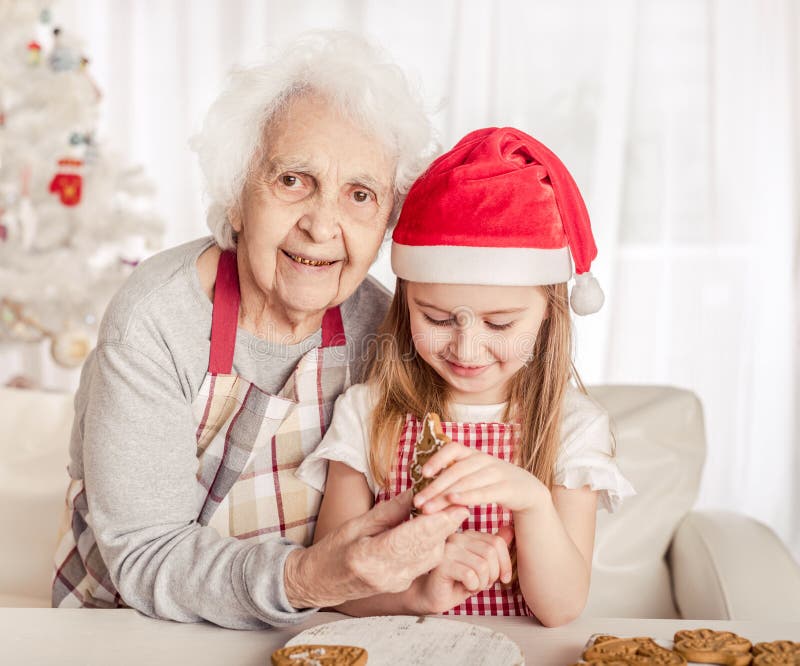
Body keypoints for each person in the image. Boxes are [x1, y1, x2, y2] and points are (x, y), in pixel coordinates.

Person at [51, 31, 486, 630]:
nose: (322, 224)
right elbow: (146, 555)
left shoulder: (382, 330)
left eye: (360, 195)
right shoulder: (156, 320)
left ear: (387, 221)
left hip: (301, 628)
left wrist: (415, 578)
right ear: (236, 196)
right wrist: (312, 576)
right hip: (128, 628)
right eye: (293, 180)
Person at [296, 126, 636, 627]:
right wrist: (416, 590)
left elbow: (561, 608)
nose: (466, 348)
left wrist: (532, 501)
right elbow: (334, 586)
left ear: (549, 316)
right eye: (435, 318)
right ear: (406, 303)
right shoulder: (368, 413)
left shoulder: (572, 427)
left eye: (500, 323)